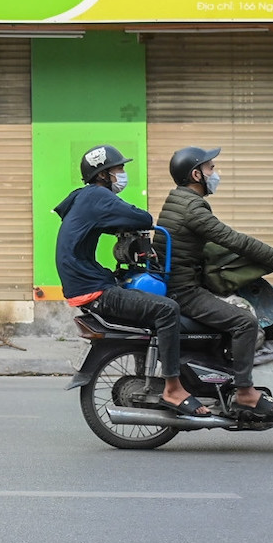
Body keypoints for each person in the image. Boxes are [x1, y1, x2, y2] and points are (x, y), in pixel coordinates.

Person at [156, 147, 273, 420]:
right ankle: (245, 392)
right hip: (185, 291)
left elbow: (211, 244)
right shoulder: (193, 207)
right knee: (245, 322)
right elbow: (231, 239)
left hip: (181, 282)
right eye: (210, 168)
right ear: (196, 174)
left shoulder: (178, 199)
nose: (215, 174)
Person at [53, 145, 203, 415]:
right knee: (167, 309)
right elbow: (142, 217)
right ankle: (173, 388)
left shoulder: (82, 197)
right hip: (93, 290)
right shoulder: (98, 196)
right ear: (103, 174)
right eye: (118, 169)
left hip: (86, 284)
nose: (122, 174)